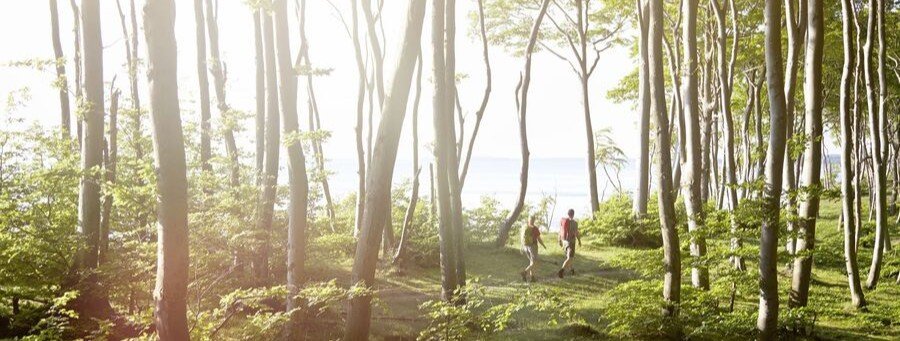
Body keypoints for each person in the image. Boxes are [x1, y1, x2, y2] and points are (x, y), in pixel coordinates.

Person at [520, 215, 546, 282]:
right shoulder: (535, 228)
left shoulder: (524, 227)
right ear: (534, 220)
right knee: (534, 262)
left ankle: (532, 278)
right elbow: (539, 239)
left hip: (525, 247)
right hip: (533, 247)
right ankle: (525, 272)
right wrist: (543, 245)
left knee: (532, 262)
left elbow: (522, 238)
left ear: (528, 220)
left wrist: (522, 246)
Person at [557, 209, 581, 278]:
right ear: (573, 214)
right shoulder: (574, 223)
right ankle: (561, 271)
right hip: (571, 242)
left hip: (564, 241)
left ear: (568, 214)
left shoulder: (564, 221)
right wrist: (579, 241)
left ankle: (572, 270)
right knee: (570, 258)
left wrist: (559, 240)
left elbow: (560, 231)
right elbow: (576, 233)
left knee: (569, 257)